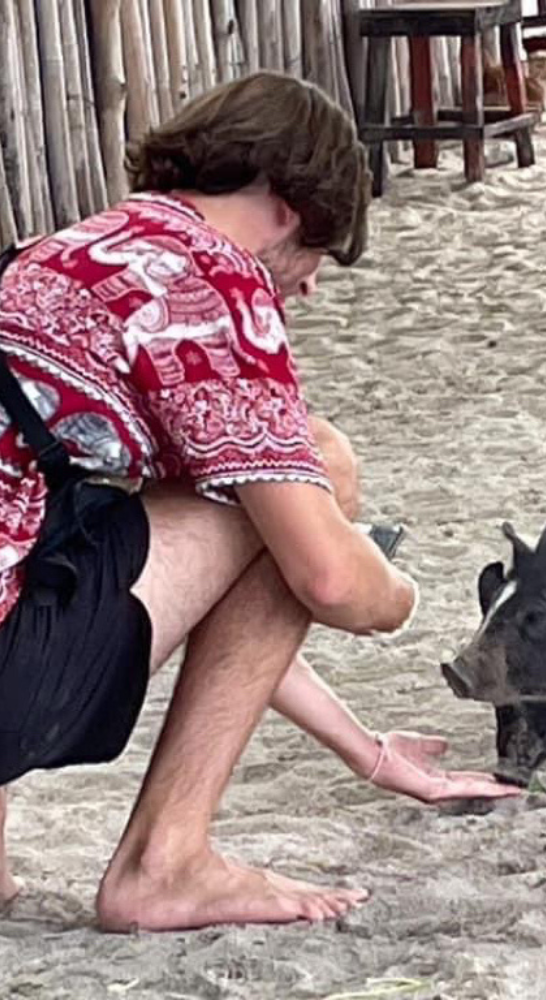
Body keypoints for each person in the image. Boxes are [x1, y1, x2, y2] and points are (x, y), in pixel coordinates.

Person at [0, 70, 518, 933]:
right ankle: (166, 863)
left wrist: (365, 751)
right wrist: (397, 591)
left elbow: (215, 590)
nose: (307, 286)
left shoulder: (65, 255)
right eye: (319, 255)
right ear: (288, 206)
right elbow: (324, 581)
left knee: (214, 500)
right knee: (316, 461)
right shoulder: (212, 289)